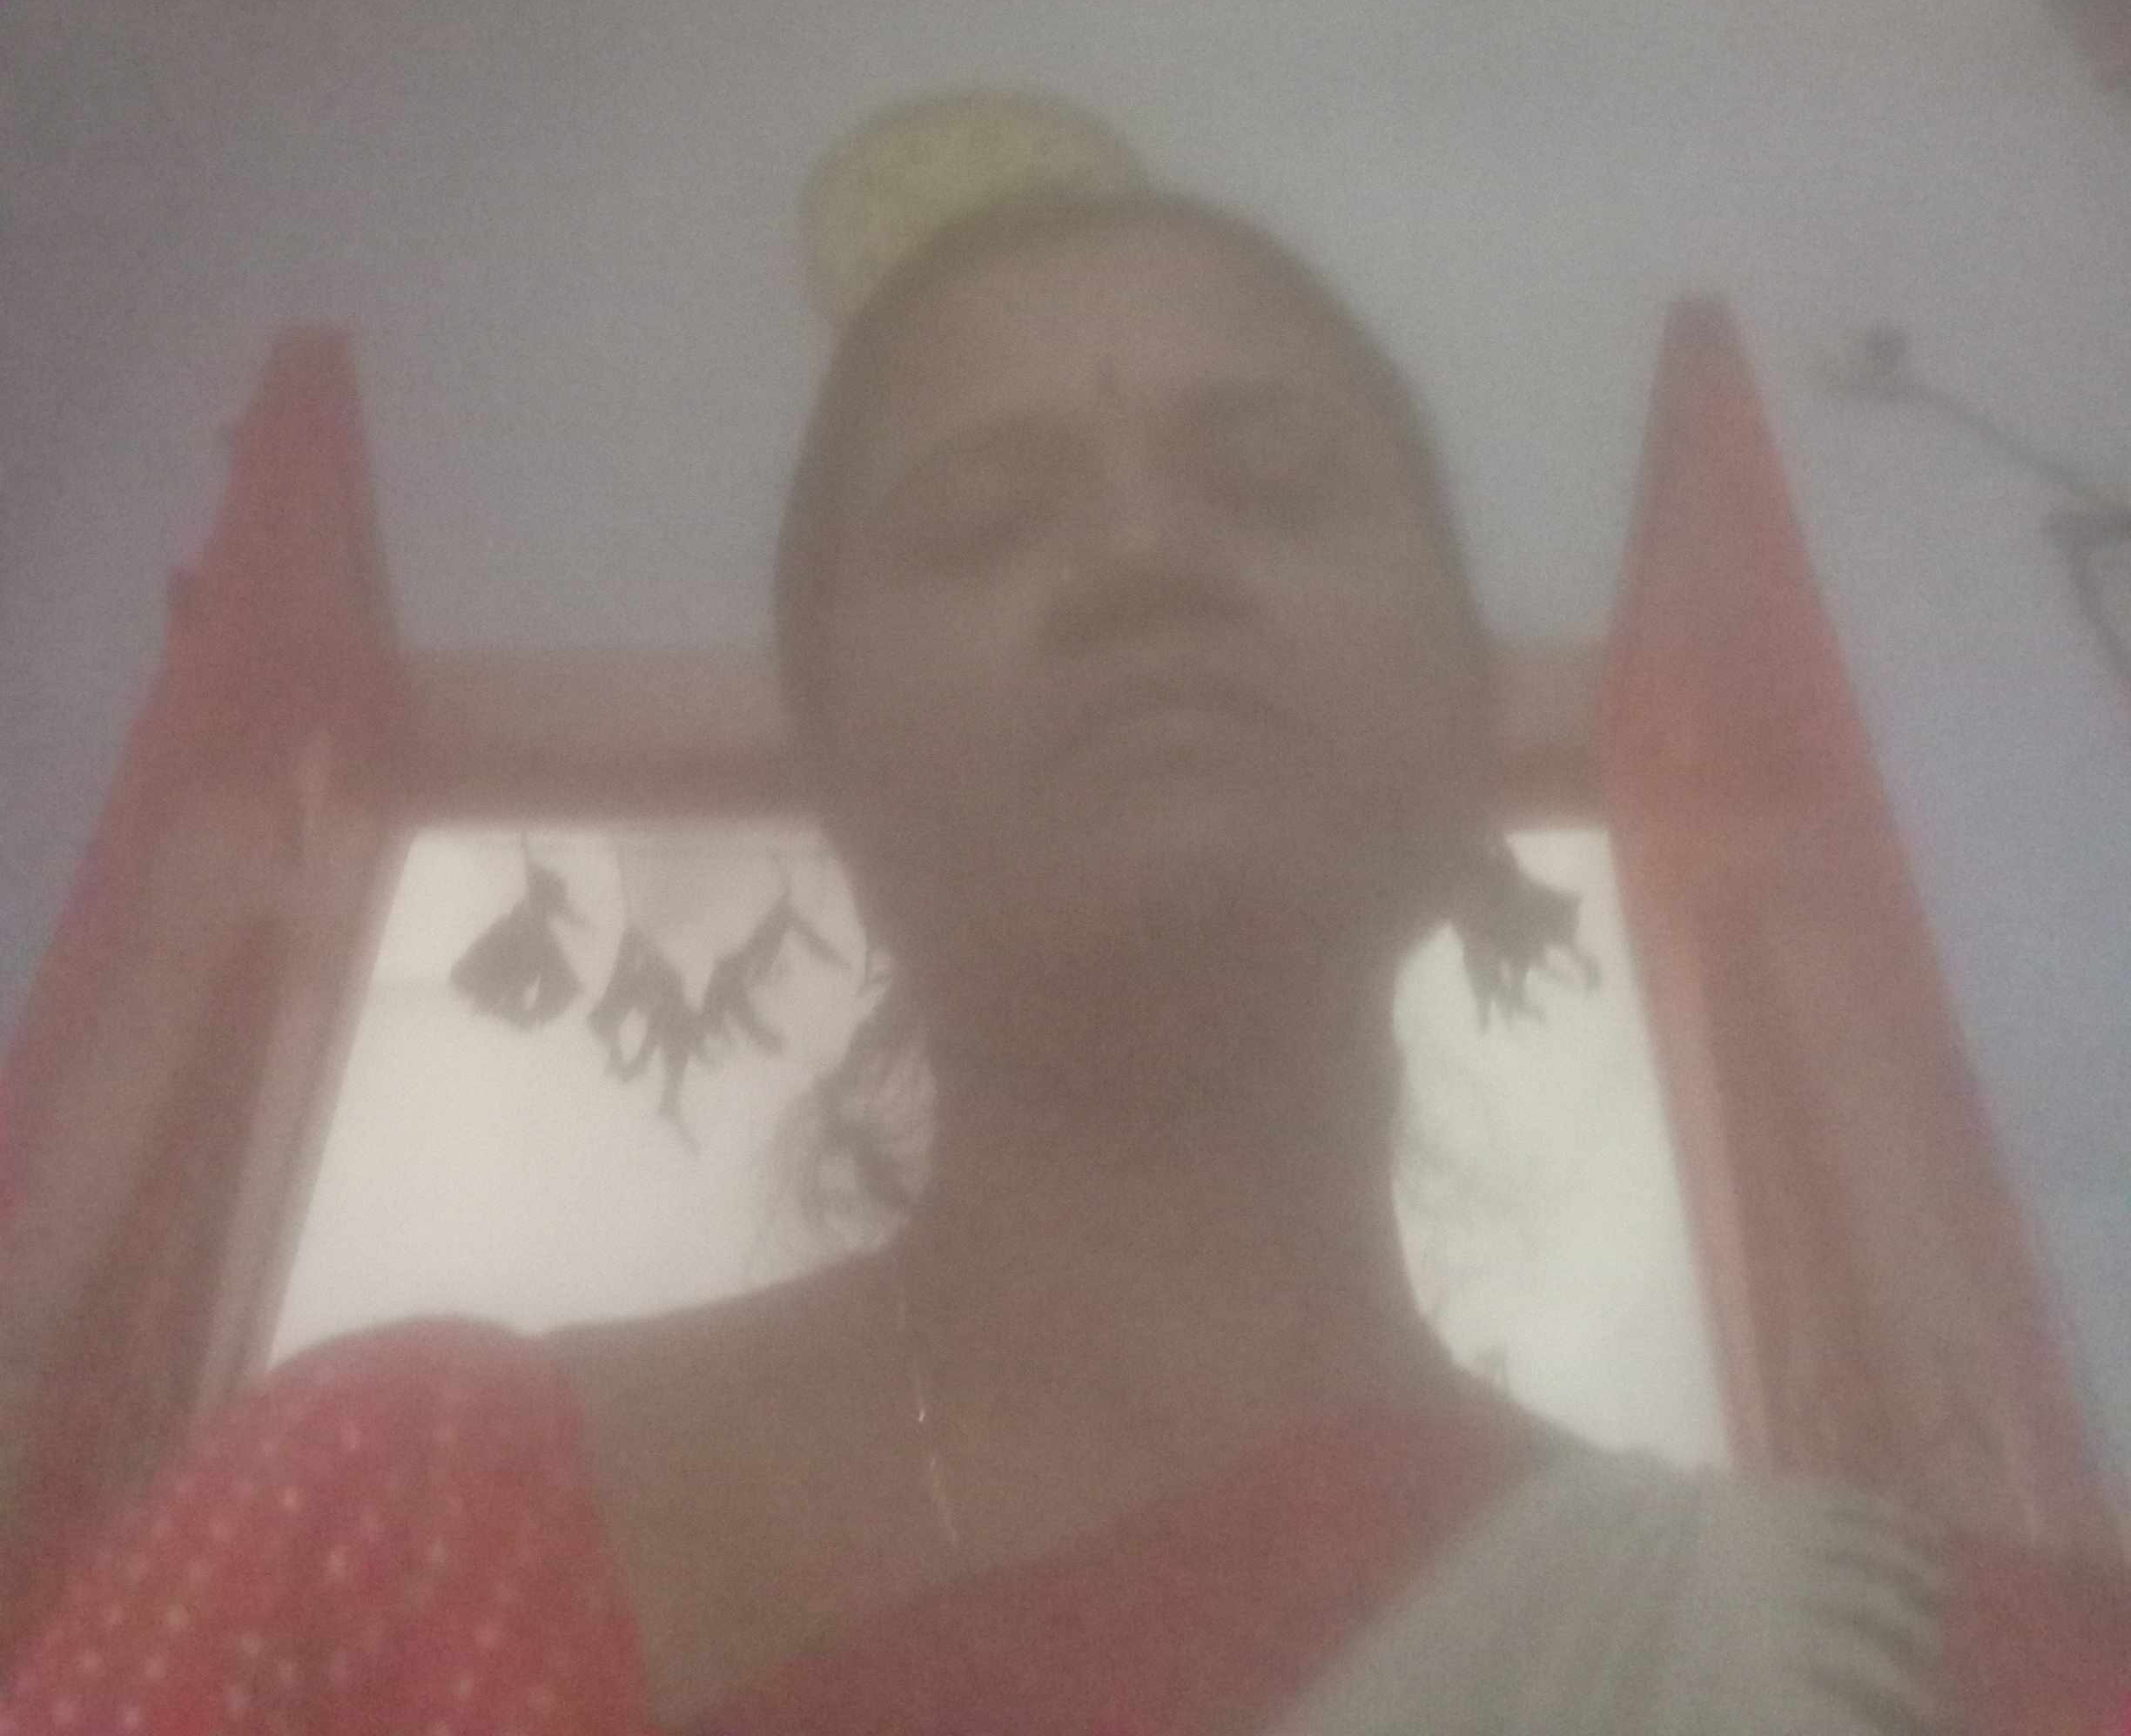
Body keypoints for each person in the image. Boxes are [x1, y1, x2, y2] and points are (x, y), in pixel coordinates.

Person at [4, 184, 2128, 1736]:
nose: (1143, 560)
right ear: (832, 769)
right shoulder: (392, 1505)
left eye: (1273, 484)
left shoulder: (1867, 1671)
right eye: (982, 519)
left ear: (1472, 721)